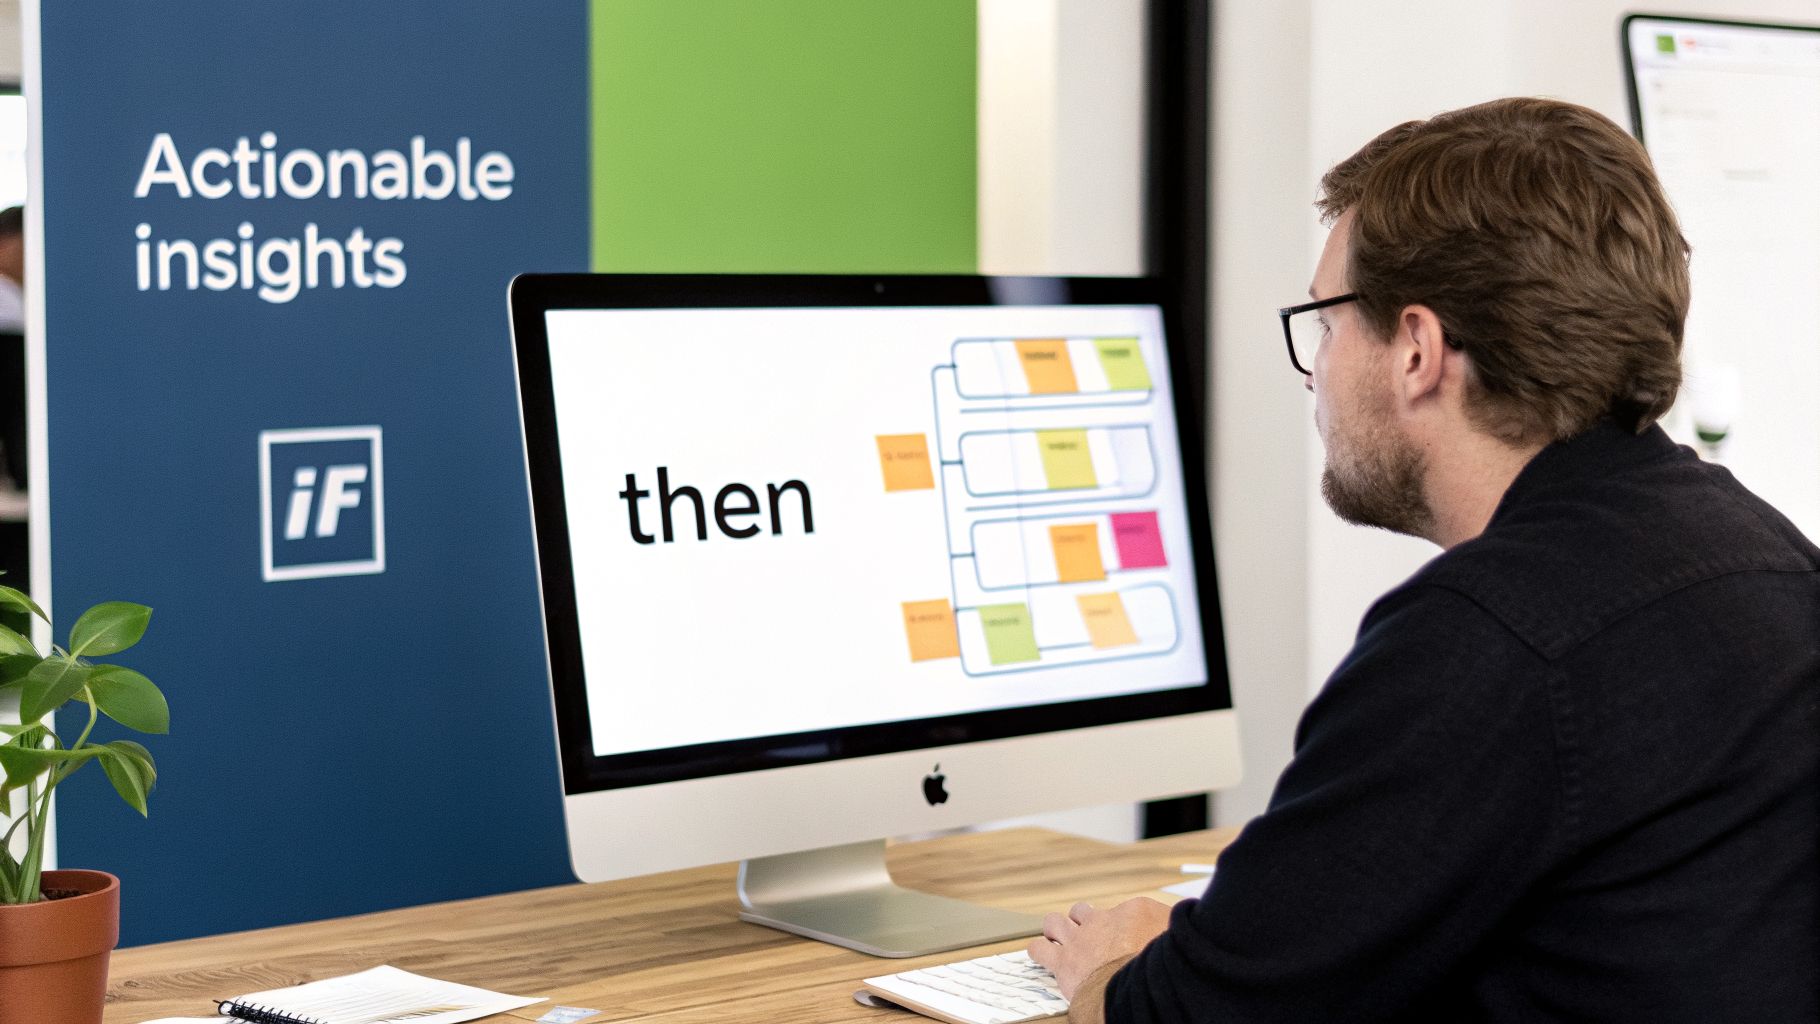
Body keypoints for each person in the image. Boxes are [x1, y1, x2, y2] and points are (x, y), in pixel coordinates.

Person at [1030, 97, 1820, 1022]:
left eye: (1326, 323)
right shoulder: (1769, 557)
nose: (1317, 370)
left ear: (1417, 350)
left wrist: (1119, 967)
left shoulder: (1491, 638)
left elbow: (1185, 1018)